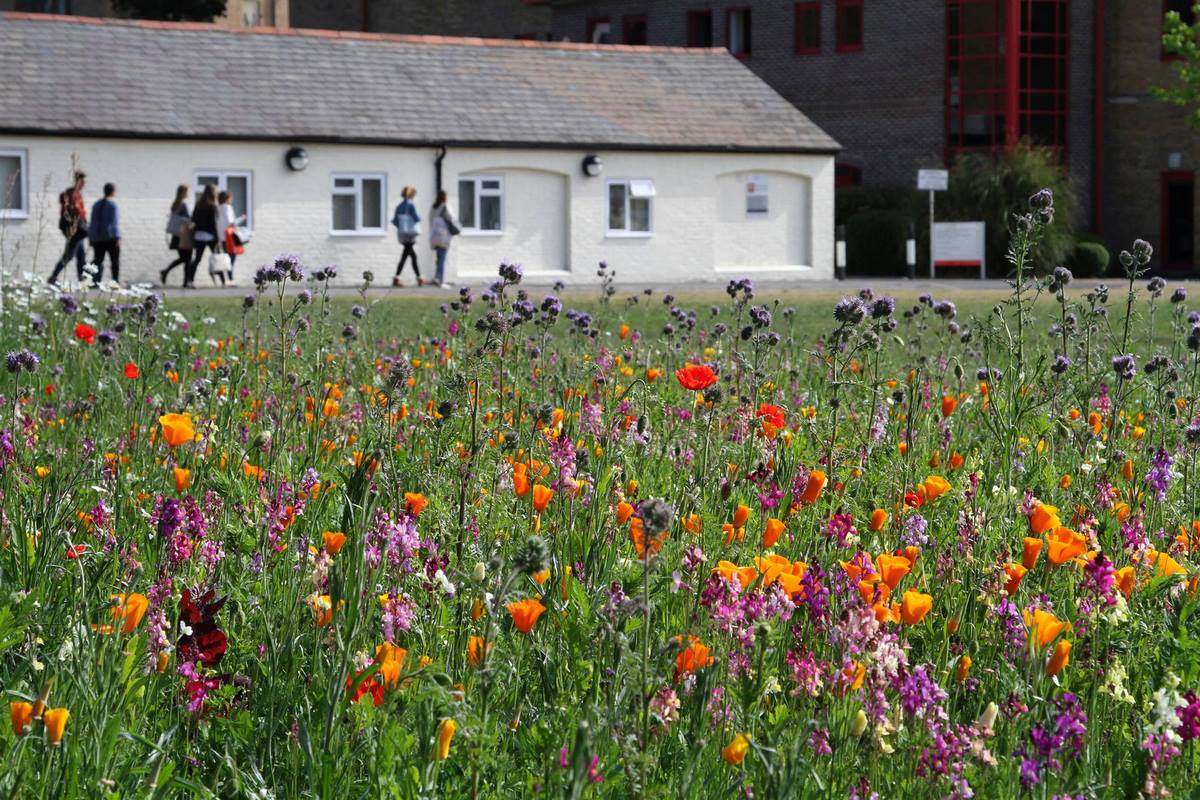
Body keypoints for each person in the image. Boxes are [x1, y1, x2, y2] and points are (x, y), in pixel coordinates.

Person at [48, 170, 88, 285]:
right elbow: (75, 211)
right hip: (74, 229)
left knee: (80, 255)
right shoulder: (72, 194)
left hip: (77, 229)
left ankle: (82, 278)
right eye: (83, 182)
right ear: (78, 181)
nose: (84, 185)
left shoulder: (76, 194)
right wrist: (82, 213)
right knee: (69, 254)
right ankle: (53, 276)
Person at [87, 182, 120, 286]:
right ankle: (115, 281)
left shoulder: (96, 205)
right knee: (114, 261)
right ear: (113, 192)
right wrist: (118, 237)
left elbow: (93, 222)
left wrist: (91, 237)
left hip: (98, 238)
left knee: (98, 260)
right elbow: (114, 222)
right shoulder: (113, 205)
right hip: (111, 237)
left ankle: (96, 280)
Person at [187, 184, 219, 289]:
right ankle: (224, 281)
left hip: (199, 235)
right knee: (217, 257)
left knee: (197, 259)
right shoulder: (213, 206)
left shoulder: (198, 204)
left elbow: (193, 219)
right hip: (210, 236)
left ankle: (190, 281)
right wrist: (217, 237)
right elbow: (214, 223)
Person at [161, 184, 193, 286]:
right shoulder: (183, 205)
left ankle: (167, 272)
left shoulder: (175, 204)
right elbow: (189, 219)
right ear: (184, 192)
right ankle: (184, 282)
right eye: (187, 191)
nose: (188, 193)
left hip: (176, 235)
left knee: (184, 258)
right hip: (184, 236)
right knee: (187, 259)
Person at [391, 185, 423, 287]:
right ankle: (396, 277)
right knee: (405, 256)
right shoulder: (411, 205)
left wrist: (402, 226)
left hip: (402, 234)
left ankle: (419, 278)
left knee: (413, 256)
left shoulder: (399, 206)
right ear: (412, 194)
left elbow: (395, 221)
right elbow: (417, 218)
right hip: (410, 234)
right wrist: (418, 218)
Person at [429, 189, 459, 288]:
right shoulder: (445, 206)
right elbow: (451, 218)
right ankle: (441, 281)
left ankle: (436, 278)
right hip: (443, 237)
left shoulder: (433, 207)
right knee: (442, 259)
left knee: (439, 259)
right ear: (444, 197)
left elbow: (430, 220)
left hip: (434, 236)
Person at [216, 190, 245, 284]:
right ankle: (231, 279)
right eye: (231, 197)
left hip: (221, 237)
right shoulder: (227, 207)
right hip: (229, 237)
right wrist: (242, 218)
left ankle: (227, 280)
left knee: (226, 257)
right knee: (231, 258)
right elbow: (231, 222)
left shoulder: (218, 208)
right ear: (227, 198)